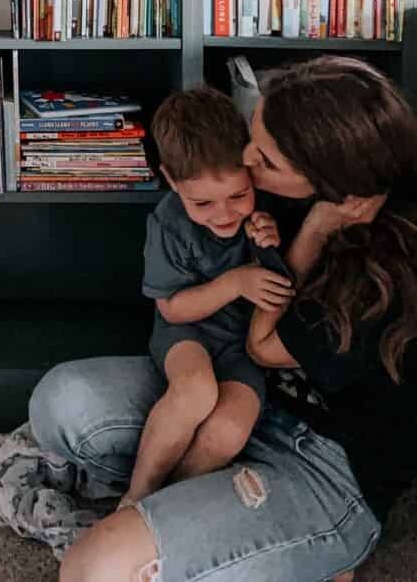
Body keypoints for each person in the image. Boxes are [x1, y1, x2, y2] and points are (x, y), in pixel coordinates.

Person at [30, 56, 417, 582]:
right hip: (238, 385)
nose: (246, 158)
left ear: (326, 177)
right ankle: (217, 519)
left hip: (321, 455)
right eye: (253, 136)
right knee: (59, 402)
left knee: (95, 568)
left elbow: (263, 344)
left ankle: (309, 541)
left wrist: (314, 232)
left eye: (267, 159)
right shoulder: (271, 191)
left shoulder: (385, 271)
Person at [122, 88, 292, 508]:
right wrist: (236, 282)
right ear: (171, 181)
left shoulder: (265, 209)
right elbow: (172, 307)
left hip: (245, 349)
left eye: (238, 195)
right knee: (196, 393)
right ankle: (137, 495)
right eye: (203, 202)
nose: (224, 213)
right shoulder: (169, 223)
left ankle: (169, 503)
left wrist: (271, 243)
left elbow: (287, 281)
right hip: (187, 331)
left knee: (230, 430)